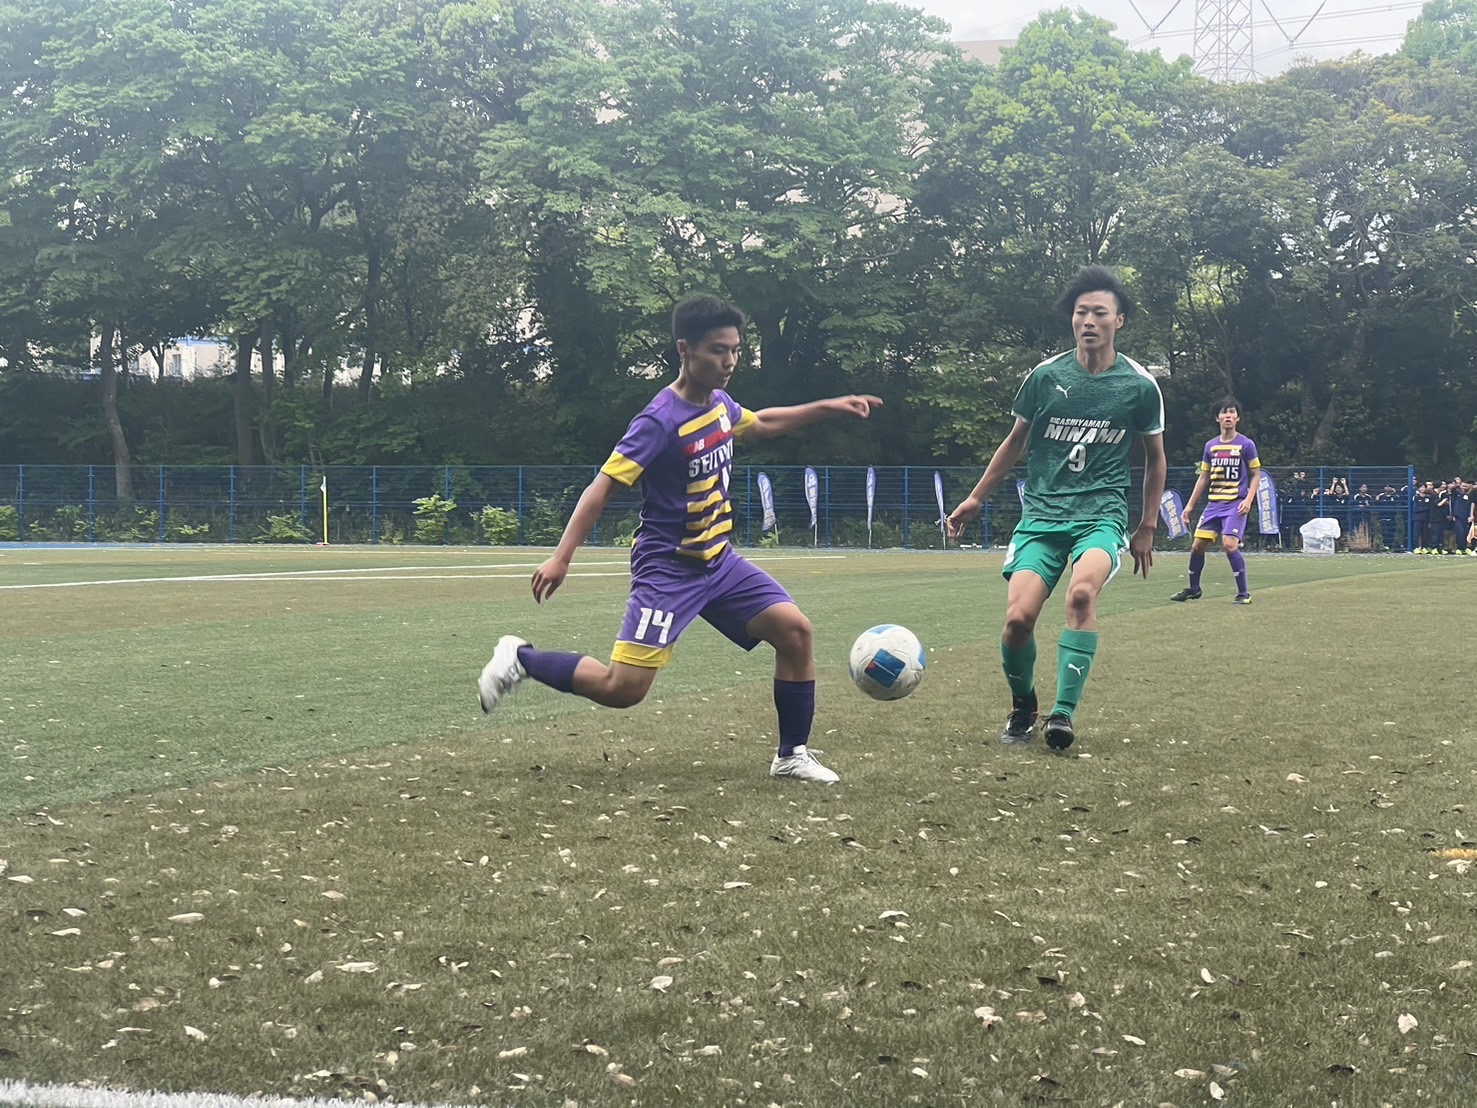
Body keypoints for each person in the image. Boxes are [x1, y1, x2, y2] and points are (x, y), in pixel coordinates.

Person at [475, 294, 882, 783]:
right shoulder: (659, 421)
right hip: (669, 569)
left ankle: (791, 754)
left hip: (719, 563)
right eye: (718, 350)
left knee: (795, 631)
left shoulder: (720, 405)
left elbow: (762, 423)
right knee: (623, 689)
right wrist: (562, 558)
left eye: (735, 350)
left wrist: (829, 406)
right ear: (685, 349)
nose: (730, 361)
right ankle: (521, 659)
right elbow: (601, 487)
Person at [945, 265, 1167, 753]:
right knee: (1017, 621)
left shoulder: (1139, 385)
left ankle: (1063, 714)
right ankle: (1024, 705)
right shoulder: (1045, 377)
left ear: (1119, 321)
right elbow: (1015, 441)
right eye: (1081, 312)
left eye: (1100, 313)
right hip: (1042, 518)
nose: (1088, 321)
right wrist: (976, 497)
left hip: (1101, 516)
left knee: (1081, 595)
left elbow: (1156, 459)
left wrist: (1147, 525)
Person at [1170, 399, 1261, 604]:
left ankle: (1243, 594)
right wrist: (1190, 506)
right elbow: (1204, 477)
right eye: (1224, 412)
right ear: (1217, 418)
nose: (1228, 416)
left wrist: (1249, 499)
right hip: (1214, 505)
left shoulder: (1246, 444)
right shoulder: (1210, 446)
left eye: (1232, 412)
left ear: (1238, 418)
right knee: (1197, 546)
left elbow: (1256, 474)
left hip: (1236, 503)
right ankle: (1194, 589)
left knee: (1229, 544)